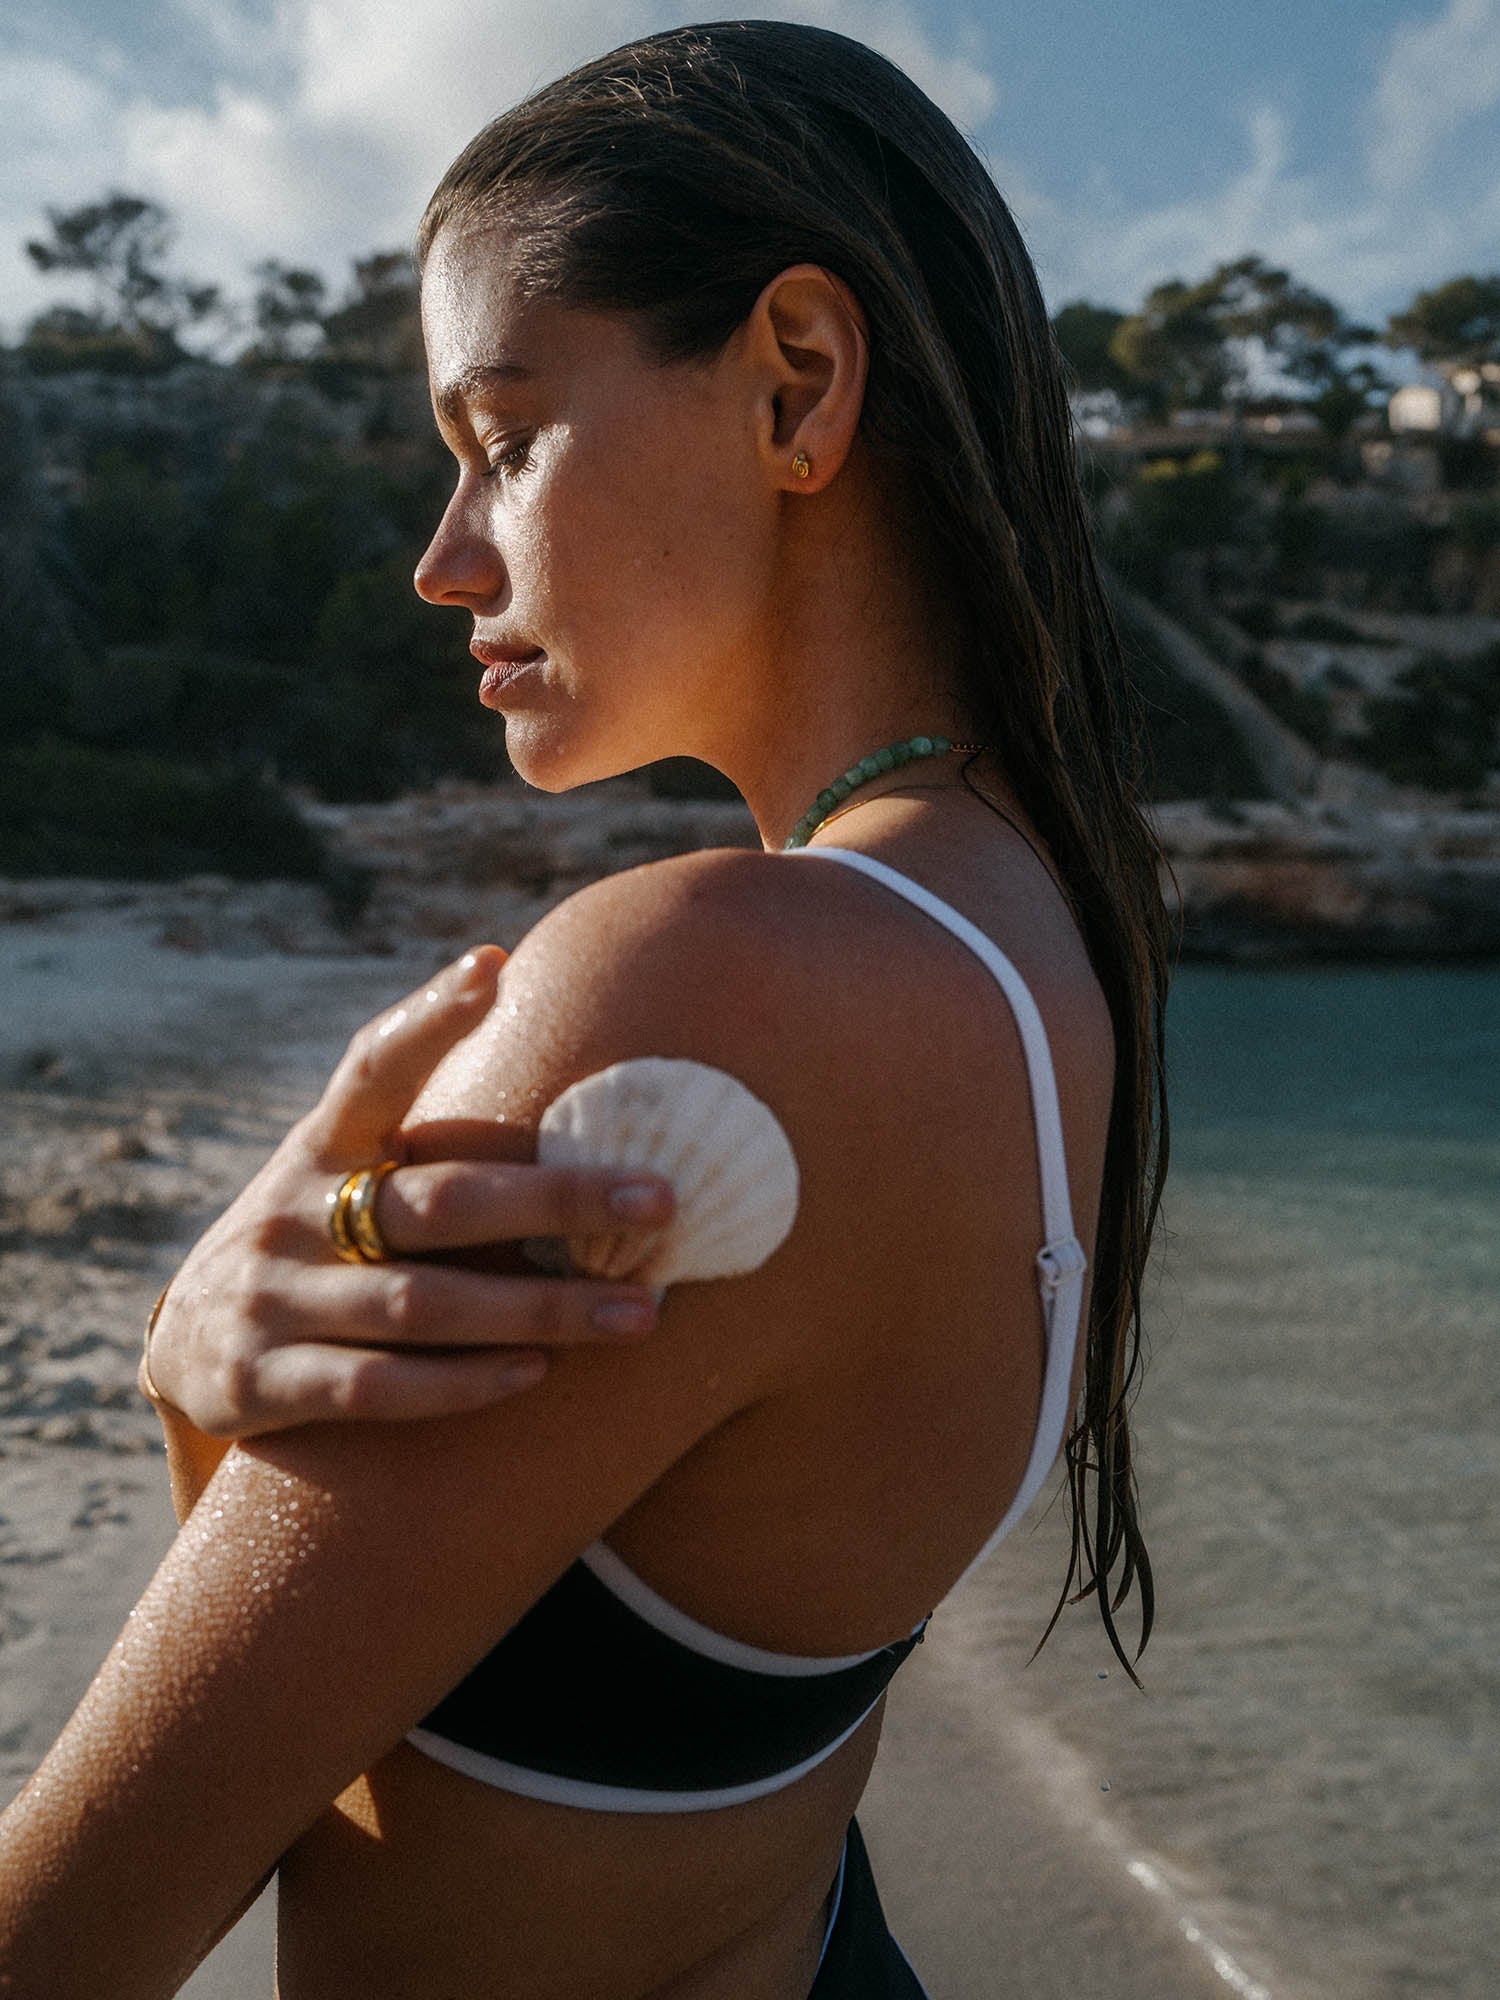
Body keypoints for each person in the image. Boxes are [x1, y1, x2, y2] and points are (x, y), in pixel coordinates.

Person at [0, 20, 1172, 1997]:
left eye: (503, 438)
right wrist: (208, 1366)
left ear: (796, 383)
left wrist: (191, 1342)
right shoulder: (1050, 934)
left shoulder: (714, 984)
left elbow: (77, 1928)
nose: (445, 562)